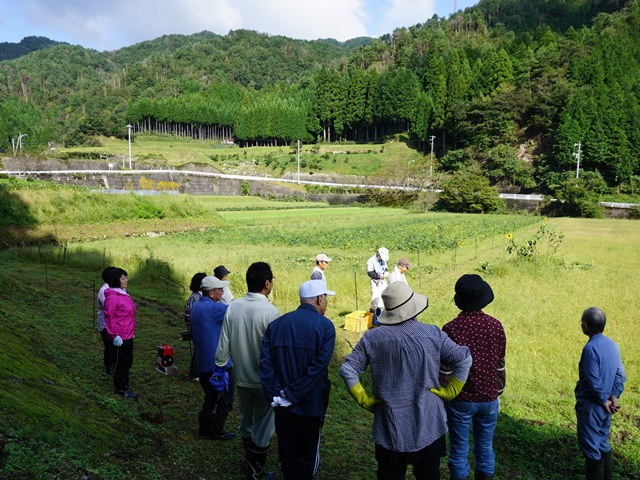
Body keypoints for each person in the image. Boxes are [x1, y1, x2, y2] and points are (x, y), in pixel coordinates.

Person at [340, 282, 472, 480]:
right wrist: (451, 391)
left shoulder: (372, 338)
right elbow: (464, 359)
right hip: (429, 423)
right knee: (428, 475)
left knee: (390, 475)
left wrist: (364, 399)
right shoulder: (433, 334)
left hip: (390, 424)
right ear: (413, 308)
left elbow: (347, 369)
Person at [260, 280, 336, 480]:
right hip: (311, 404)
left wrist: (277, 395)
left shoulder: (277, 325)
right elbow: (318, 369)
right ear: (320, 299)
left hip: (281, 404)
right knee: (307, 452)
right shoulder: (326, 327)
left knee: (286, 449)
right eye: (326, 298)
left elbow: (266, 365)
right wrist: (292, 394)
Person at [216, 262, 280, 480]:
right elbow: (276, 351)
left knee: (246, 418)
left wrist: (221, 365)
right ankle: (256, 470)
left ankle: (250, 460)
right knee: (264, 423)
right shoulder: (272, 312)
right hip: (264, 381)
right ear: (267, 283)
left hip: (241, 376)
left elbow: (224, 340)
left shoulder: (234, 306)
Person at [440, 274, 506, 480]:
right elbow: (500, 363)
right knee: (485, 450)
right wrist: (498, 392)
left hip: (461, 399)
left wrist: (442, 395)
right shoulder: (495, 326)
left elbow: (445, 370)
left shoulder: (450, 329)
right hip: (489, 398)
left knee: (459, 452)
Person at [575, 307, 626, 480]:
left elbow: (593, 379)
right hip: (607, 407)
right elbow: (620, 374)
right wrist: (614, 396)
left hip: (592, 406)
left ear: (585, 326)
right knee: (603, 443)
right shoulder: (613, 344)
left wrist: (604, 399)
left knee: (591, 449)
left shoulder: (590, 349)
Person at [190, 275, 236, 440]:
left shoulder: (196, 307)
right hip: (219, 364)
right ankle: (217, 430)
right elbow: (236, 309)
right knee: (226, 400)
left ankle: (204, 427)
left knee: (210, 397)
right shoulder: (214, 309)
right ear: (211, 293)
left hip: (203, 363)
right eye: (219, 289)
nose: (222, 292)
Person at [104, 267, 138, 400]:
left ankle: (126, 385)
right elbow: (109, 317)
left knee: (127, 361)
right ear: (115, 280)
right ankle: (120, 387)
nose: (126, 280)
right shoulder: (113, 298)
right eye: (122, 278)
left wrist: (131, 330)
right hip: (120, 335)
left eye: (125, 277)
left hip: (128, 333)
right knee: (120, 362)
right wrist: (114, 334)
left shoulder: (123, 293)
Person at [185, 272, 207, 380]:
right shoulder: (194, 297)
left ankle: (199, 371)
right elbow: (189, 315)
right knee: (198, 349)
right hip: (197, 327)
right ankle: (194, 374)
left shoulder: (201, 296)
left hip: (202, 327)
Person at [97, 266, 116, 376]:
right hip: (106, 324)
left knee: (116, 347)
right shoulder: (104, 291)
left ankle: (115, 364)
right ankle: (109, 367)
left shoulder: (117, 288)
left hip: (117, 324)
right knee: (109, 346)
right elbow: (110, 310)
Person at [366, 247, 390, 322]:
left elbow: (385, 268)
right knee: (375, 299)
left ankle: (380, 317)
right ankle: (373, 318)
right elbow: (370, 273)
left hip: (382, 281)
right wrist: (380, 276)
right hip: (375, 282)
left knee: (383, 298)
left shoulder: (383, 260)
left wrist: (386, 273)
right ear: (378, 254)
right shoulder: (371, 261)